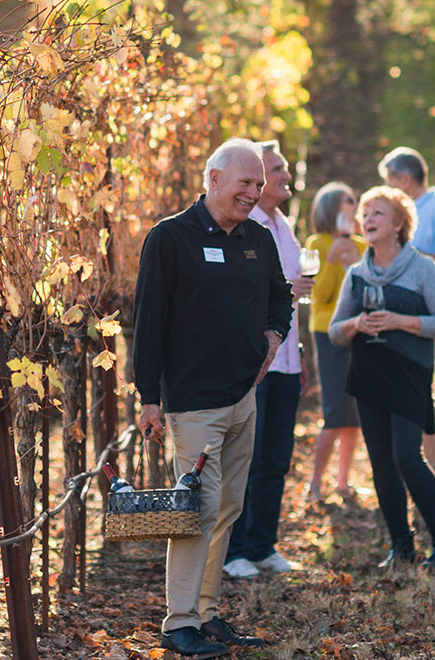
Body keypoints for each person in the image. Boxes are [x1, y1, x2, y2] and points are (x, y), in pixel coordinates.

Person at [132, 137, 290, 657]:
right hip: (193, 402)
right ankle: (178, 623)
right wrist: (148, 397)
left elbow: (279, 298)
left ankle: (206, 612)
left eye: (259, 185)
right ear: (214, 178)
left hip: (244, 398)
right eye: (245, 182)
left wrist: (272, 336)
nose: (253, 193)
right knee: (196, 509)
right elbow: (149, 319)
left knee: (226, 507)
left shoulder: (257, 239)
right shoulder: (169, 238)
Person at [326, 185, 435, 571]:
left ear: (399, 223)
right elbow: (335, 331)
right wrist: (355, 324)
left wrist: (402, 321)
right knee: (381, 463)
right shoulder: (357, 274)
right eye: (365, 214)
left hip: (410, 374)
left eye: (377, 213)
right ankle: (401, 545)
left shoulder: (422, 268)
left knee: (406, 457)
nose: (367, 220)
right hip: (367, 375)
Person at [224, 140, 315, 579]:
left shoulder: (284, 225)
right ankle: (235, 549)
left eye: (279, 170)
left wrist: (303, 357)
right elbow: (239, 293)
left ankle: (263, 544)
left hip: (287, 361)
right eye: (273, 170)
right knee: (247, 457)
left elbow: (294, 297)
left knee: (277, 458)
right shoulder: (246, 225)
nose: (281, 176)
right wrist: (286, 289)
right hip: (257, 362)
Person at [379, 147, 435, 516]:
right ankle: (415, 477)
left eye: (389, 181)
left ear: (404, 179)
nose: (387, 188)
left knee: (420, 395)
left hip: (426, 315)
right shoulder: (398, 213)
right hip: (393, 315)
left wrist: (407, 254)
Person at [302, 182, 365, 503]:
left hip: (358, 333)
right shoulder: (317, 243)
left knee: (353, 413)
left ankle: (343, 482)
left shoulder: (362, 245)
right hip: (327, 333)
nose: (353, 207)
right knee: (334, 411)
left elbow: (365, 295)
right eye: (347, 202)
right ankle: (315, 483)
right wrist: (331, 262)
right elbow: (319, 295)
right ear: (330, 208)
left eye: (354, 202)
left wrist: (352, 262)